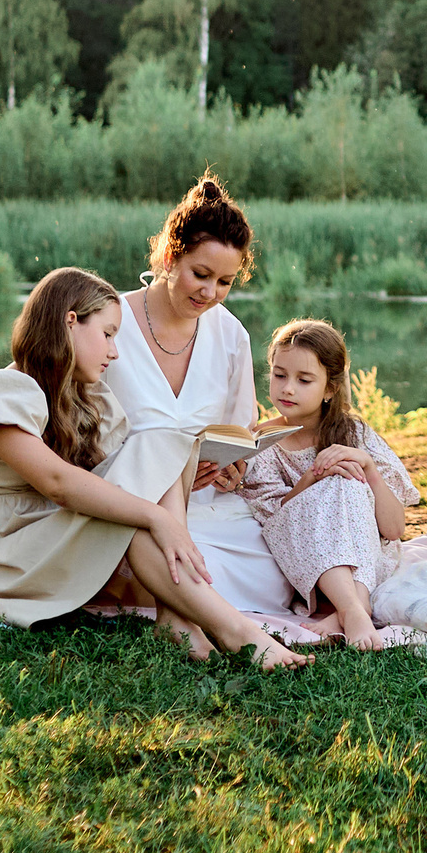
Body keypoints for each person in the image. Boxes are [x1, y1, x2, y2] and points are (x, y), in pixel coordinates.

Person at [0, 266, 309, 669]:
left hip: (40, 534)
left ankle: (178, 618)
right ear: (70, 322)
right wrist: (158, 518)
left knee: (162, 444)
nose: (115, 351)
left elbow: (129, 466)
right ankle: (236, 632)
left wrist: (186, 472)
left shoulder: (85, 399)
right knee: (137, 509)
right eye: (108, 334)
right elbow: (57, 482)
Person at [101, 175, 295, 655]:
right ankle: (194, 613)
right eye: (200, 274)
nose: (209, 292)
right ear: (170, 256)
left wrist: (230, 469)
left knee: (263, 570)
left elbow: (239, 432)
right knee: (165, 540)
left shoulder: (230, 336)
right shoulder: (109, 323)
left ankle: (179, 607)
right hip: (124, 494)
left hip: (202, 501)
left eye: (224, 282)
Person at [242, 318, 421, 652]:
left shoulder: (356, 435)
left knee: (349, 478)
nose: (288, 388)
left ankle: (354, 607)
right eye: (279, 375)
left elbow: (395, 529)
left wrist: (368, 469)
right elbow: (277, 522)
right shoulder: (263, 443)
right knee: (335, 480)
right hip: (306, 559)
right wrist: (312, 477)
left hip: (365, 559)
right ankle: (354, 609)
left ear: (330, 388)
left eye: (304, 379)